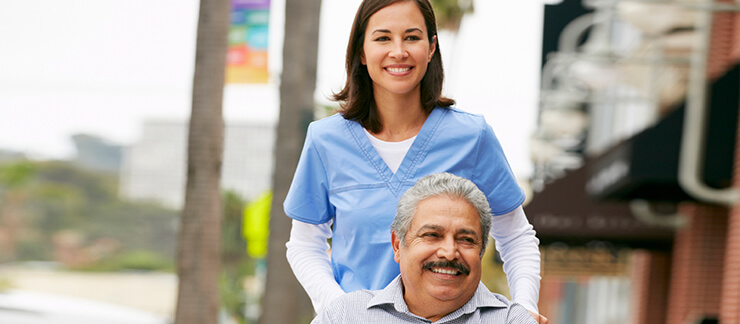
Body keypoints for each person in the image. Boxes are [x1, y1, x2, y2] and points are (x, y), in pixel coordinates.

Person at [284, 0, 546, 322]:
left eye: (412, 37)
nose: (398, 51)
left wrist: (525, 309)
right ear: (361, 52)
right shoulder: (326, 140)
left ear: (432, 47)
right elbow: (304, 243)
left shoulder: (471, 136)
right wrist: (338, 308)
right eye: (383, 38)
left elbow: (516, 235)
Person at [311, 173, 538, 323]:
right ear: (398, 245)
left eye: (466, 239)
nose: (449, 252)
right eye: (432, 235)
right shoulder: (345, 316)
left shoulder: (513, 321)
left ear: (481, 251)